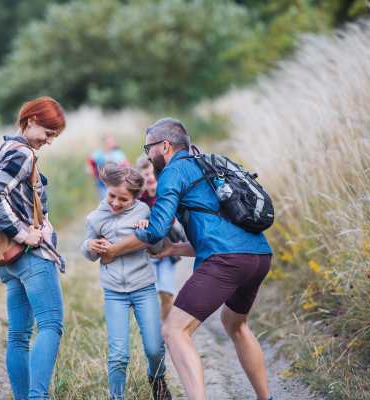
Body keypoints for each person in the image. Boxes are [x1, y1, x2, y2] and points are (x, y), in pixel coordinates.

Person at [99, 118, 274, 400]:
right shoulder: (208, 165)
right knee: (235, 324)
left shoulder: (172, 172)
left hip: (227, 261)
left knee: (173, 330)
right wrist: (172, 249)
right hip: (258, 256)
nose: (147, 155)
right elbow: (217, 238)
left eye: (149, 148)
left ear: (164, 146)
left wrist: (114, 250)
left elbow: (155, 229)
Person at [0, 97, 66, 400]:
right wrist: (24, 234)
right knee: (51, 325)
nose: (50, 140)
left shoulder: (6, 148)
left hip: (11, 261)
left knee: (18, 336)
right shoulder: (24, 155)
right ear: (30, 120)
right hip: (31, 257)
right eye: (48, 132)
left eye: (54, 135)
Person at [80, 161, 172, 400]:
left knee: (154, 348)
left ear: (135, 198)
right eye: (112, 196)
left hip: (143, 287)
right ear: (106, 188)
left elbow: (157, 246)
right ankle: (117, 397)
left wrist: (147, 230)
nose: (116, 203)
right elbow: (90, 254)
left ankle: (157, 377)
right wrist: (88, 246)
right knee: (119, 354)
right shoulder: (95, 218)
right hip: (113, 292)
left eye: (123, 200)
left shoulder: (144, 212)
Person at [135, 154, 187, 321]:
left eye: (152, 173)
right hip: (145, 249)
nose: (149, 178)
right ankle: (152, 328)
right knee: (149, 293)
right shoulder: (138, 200)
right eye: (145, 174)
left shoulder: (166, 195)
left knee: (166, 293)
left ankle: (167, 328)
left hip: (166, 246)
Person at [86, 135, 128, 200]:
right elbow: (90, 160)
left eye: (110, 142)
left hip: (115, 183)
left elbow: (125, 167)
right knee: (104, 200)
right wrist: (90, 169)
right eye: (107, 142)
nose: (108, 145)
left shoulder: (118, 154)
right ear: (103, 143)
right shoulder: (98, 154)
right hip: (101, 183)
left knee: (114, 200)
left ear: (114, 143)